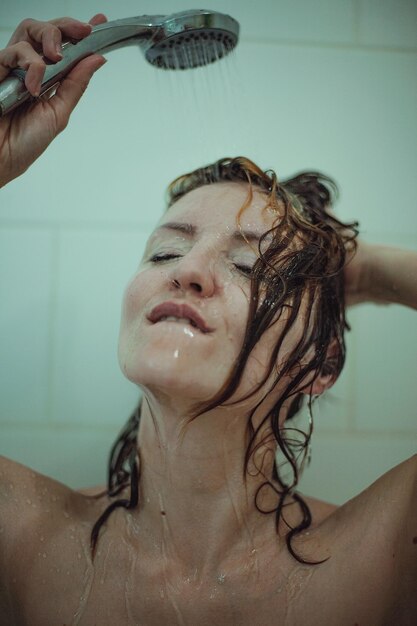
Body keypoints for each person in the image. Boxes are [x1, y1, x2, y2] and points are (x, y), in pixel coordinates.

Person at [0, 15, 416, 626]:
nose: (187, 271)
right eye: (165, 252)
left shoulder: (384, 553)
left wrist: (367, 272)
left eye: (250, 266)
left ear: (321, 363)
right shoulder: (17, 532)